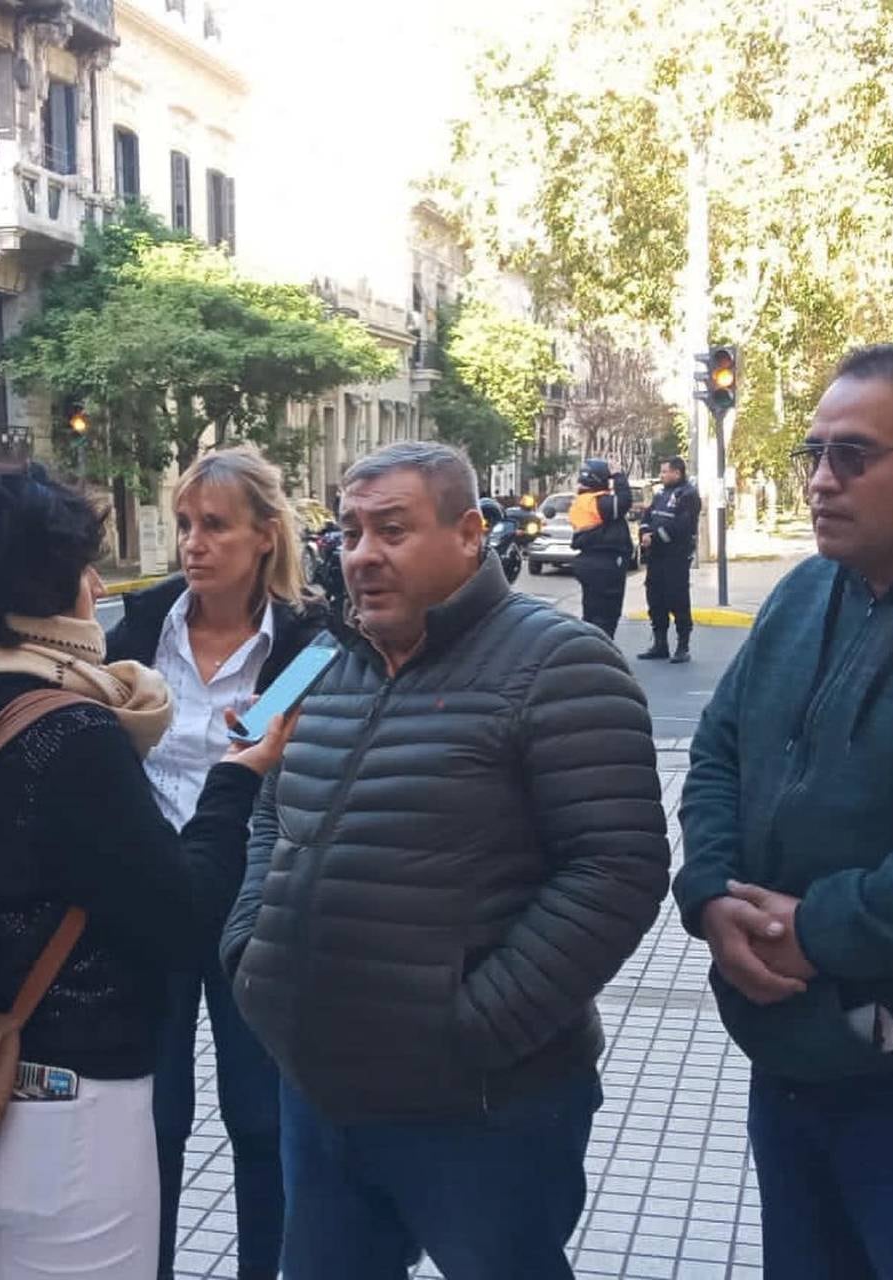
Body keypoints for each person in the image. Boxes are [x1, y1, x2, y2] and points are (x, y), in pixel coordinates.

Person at [221, 441, 670, 1280]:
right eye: (350, 533)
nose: (362, 556)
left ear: (469, 533)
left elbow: (617, 870)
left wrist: (472, 1029)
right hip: (320, 1090)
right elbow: (269, 805)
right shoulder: (321, 658)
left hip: (483, 1106)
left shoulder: (562, 661)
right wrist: (253, 954)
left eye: (391, 530)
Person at [0, 464, 292, 1280]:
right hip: (68, 1101)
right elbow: (183, 919)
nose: (97, 581)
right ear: (41, 584)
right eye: (82, 564)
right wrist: (237, 777)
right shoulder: (63, 727)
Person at [674, 344, 893, 1279]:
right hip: (795, 1058)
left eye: (855, 456)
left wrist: (822, 929)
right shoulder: (804, 590)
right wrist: (712, 894)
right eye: (814, 454)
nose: (822, 481)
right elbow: (718, 751)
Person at [106, 445, 330, 1280]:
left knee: (261, 1119)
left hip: (257, 906)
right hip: (156, 899)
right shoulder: (141, 622)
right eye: (187, 525)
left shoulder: (309, 641)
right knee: (153, 1119)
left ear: (265, 537)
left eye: (216, 527)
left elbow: (289, 758)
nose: (194, 544)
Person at [637, 456, 700, 663]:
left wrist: (656, 537)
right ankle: (660, 644)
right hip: (656, 558)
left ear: (677, 473)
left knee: (678, 599)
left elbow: (682, 526)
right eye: (661, 472)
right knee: (655, 599)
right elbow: (647, 517)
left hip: (676, 557)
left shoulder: (688, 495)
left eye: (665, 472)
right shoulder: (661, 494)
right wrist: (645, 533)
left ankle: (683, 647)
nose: (662, 475)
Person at [568, 457, 634, 639]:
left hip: (588, 560)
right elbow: (624, 502)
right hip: (604, 563)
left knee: (591, 612)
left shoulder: (581, 501)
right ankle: (600, 653)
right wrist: (619, 476)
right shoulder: (598, 502)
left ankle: (589, 652)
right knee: (606, 615)